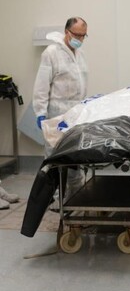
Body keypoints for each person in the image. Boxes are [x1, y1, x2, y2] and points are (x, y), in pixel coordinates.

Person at [33, 17, 88, 200]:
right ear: (67, 32)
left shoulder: (78, 54)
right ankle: (55, 197)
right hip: (57, 113)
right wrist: (40, 112)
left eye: (83, 36)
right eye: (77, 35)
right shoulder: (51, 52)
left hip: (76, 112)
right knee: (55, 157)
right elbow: (41, 85)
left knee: (75, 156)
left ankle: (75, 194)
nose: (79, 39)